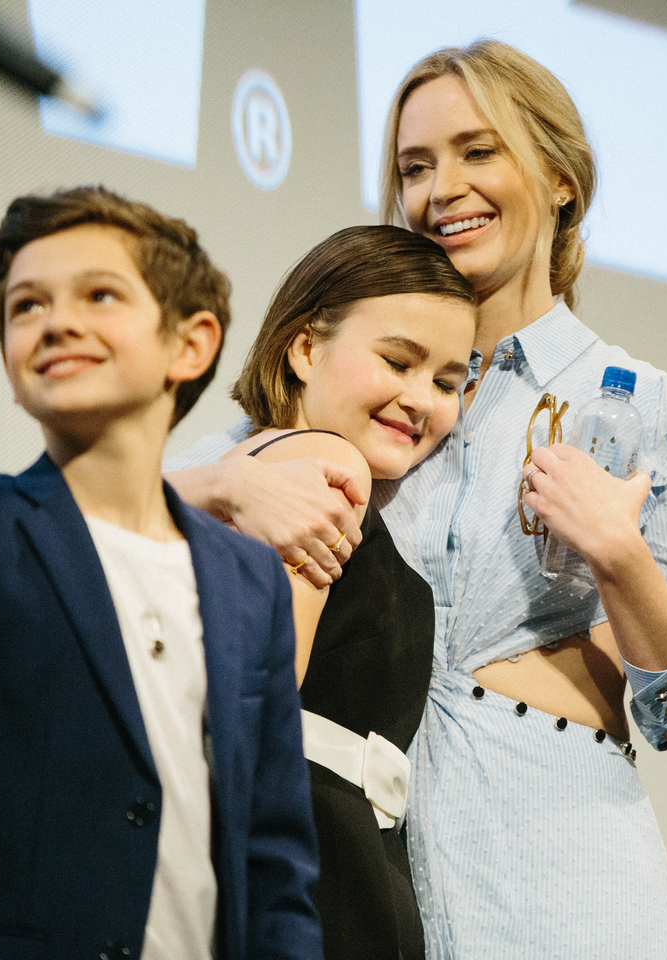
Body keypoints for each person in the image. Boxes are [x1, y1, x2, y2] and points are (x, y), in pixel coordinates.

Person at [168, 40, 667, 958]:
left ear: (560, 177)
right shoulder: (363, 386)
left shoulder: (647, 410)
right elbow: (136, 515)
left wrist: (621, 558)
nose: (442, 190)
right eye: (413, 167)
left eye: (478, 153)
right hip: (368, 888)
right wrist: (226, 482)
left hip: (566, 882)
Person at [0, 186, 321, 960]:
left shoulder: (248, 580)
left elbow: (274, 853)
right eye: (26, 306)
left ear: (191, 344)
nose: (56, 321)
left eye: (99, 295)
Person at [215, 224, 474, 959]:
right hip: (311, 882)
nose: (421, 399)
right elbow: (255, 724)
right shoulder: (327, 468)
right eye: (398, 360)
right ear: (303, 348)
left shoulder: (259, 465)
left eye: (448, 382)